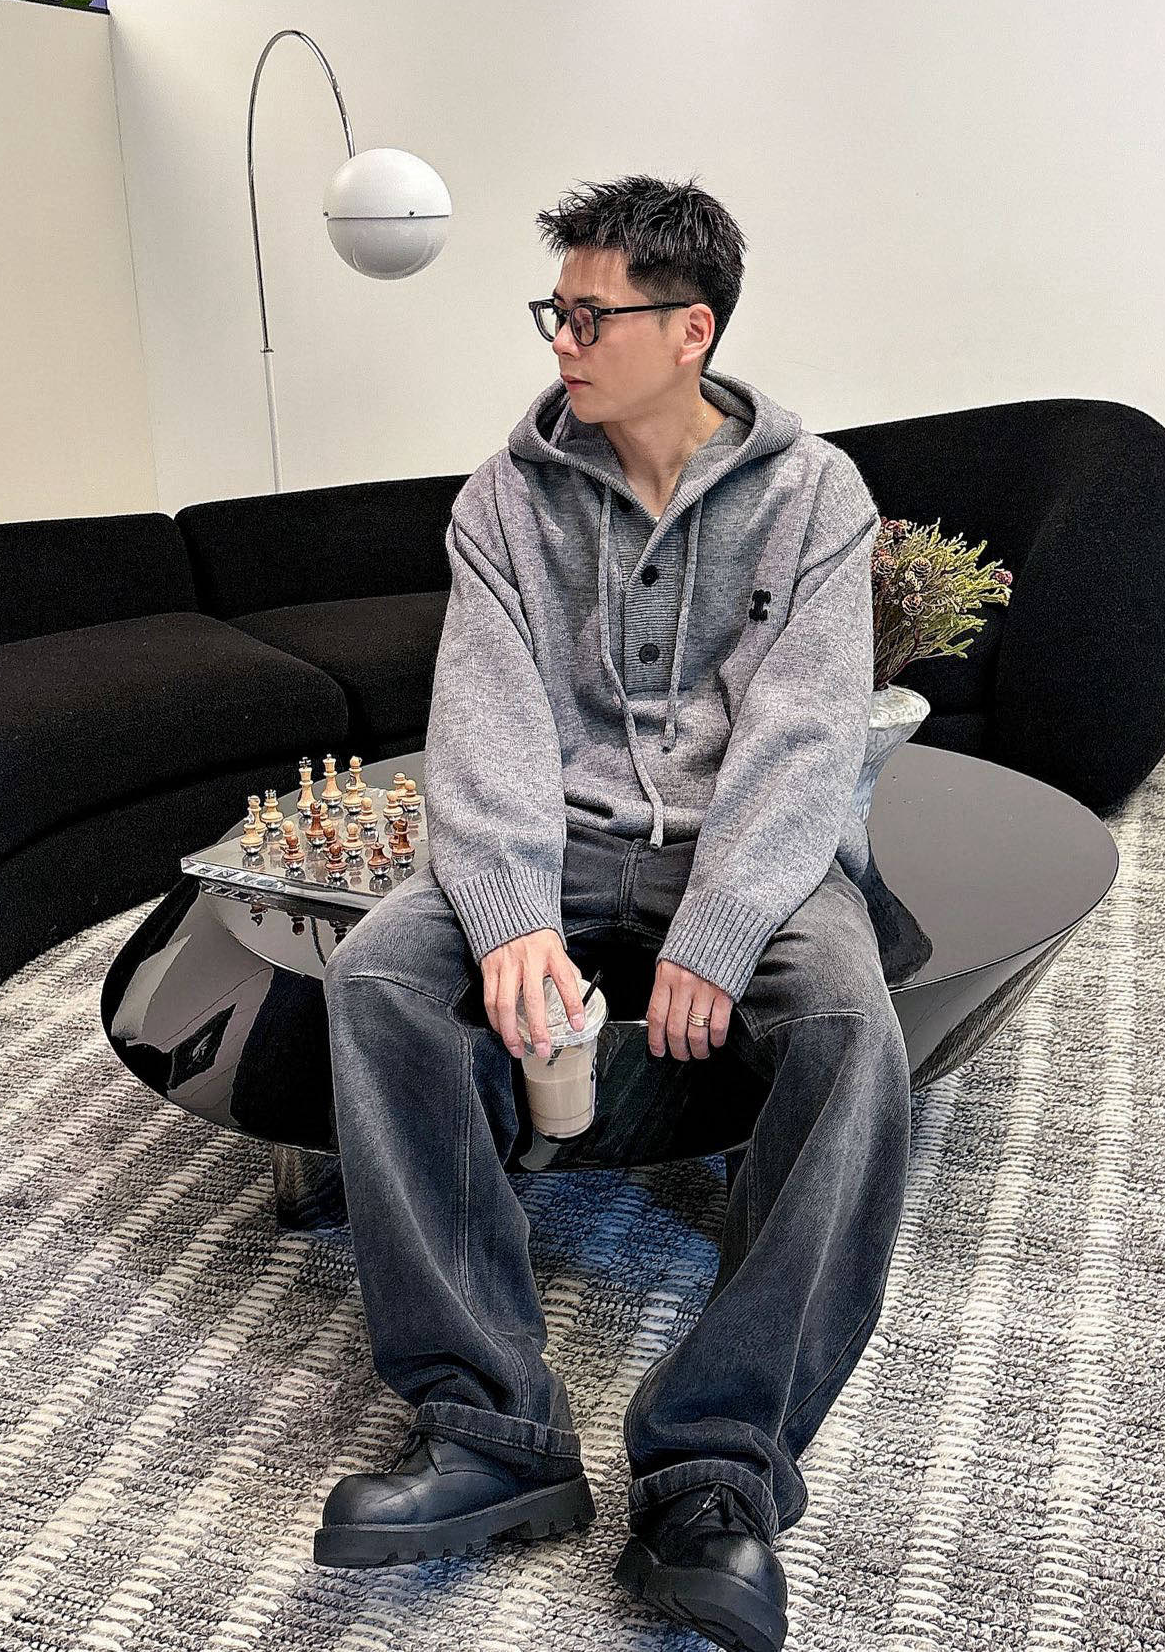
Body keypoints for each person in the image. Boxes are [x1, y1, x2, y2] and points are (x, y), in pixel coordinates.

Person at [313, 174, 912, 1652]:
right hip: (561, 844)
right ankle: (491, 1430)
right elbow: (484, 722)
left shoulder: (816, 497)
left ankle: (717, 1467)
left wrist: (719, 927)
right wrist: (509, 910)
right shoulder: (503, 498)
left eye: (593, 316)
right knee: (380, 977)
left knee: (850, 1029)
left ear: (691, 329)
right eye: (556, 312)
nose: (562, 342)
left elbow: (803, 741)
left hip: (743, 853)